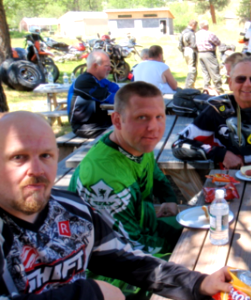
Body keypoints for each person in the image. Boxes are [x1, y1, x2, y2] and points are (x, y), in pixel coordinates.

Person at [0, 111, 232, 300]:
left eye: (46, 156)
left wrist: (198, 283)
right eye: (18, 157)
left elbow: (127, 261)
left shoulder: (74, 213)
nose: (37, 170)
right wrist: (92, 293)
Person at [69, 82, 182, 296]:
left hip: (143, 226)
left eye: (159, 117)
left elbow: (155, 173)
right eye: (142, 117)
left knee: (204, 230)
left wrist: (169, 198)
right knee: (192, 265)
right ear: (117, 120)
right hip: (108, 269)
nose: (153, 127)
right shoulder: (105, 178)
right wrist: (180, 250)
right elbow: (126, 250)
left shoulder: (136, 142)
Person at [172, 56, 251, 170]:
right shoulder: (217, 110)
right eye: (240, 79)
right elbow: (178, 145)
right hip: (231, 182)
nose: (247, 84)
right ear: (230, 83)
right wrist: (221, 154)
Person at [67, 50, 119, 138]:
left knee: (127, 124)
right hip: (84, 127)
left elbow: (117, 90)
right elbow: (112, 98)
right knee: (126, 129)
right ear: (95, 65)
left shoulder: (99, 79)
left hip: (98, 123)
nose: (110, 69)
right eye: (107, 66)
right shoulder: (84, 81)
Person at [195, 20, 224, 94]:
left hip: (200, 53)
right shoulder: (209, 34)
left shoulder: (196, 34)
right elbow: (218, 42)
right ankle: (218, 87)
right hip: (209, 53)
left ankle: (206, 87)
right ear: (206, 26)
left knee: (205, 72)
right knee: (214, 70)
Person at [179, 20, 198, 89]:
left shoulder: (183, 32)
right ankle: (189, 85)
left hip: (185, 50)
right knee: (192, 69)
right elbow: (193, 44)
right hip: (191, 50)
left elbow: (179, 44)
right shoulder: (191, 33)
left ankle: (190, 85)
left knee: (189, 67)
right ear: (193, 25)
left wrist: (182, 50)